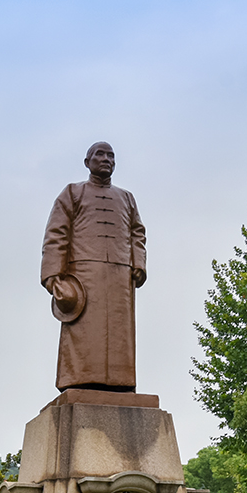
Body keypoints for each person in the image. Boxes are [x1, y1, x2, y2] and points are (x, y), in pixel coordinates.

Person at [41, 141, 147, 392]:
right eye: (100, 154)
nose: (106, 159)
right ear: (87, 162)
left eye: (111, 156)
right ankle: (79, 380)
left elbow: (137, 232)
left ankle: (121, 384)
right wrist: (53, 276)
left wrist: (138, 262)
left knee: (120, 335)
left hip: (120, 276)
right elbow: (56, 234)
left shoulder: (127, 198)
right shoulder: (72, 192)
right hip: (83, 276)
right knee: (85, 332)